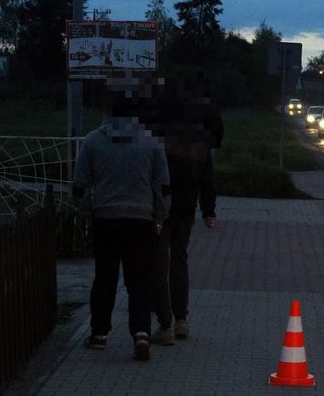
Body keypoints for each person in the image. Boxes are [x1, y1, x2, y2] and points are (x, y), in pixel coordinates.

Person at [73, 80, 170, 361]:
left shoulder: (93, 141)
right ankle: (141, 333)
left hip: (106, 219)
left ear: (109, 111)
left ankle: (99, 334)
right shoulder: (152, 142)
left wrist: (85, 210)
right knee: (139, 280)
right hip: (141, 221)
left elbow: (80, 185)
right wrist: (160, 216)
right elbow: (162, 185)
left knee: (104, 278)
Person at [144, 76, 220, 345]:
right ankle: (181, 321)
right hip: (186, 209)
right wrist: (208, 211)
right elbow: (207, 176)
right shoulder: (199, 137)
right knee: (179, 260)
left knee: (158, 263)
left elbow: (148, 173)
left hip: (159, 209)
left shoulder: (155, 134)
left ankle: (164, 325)